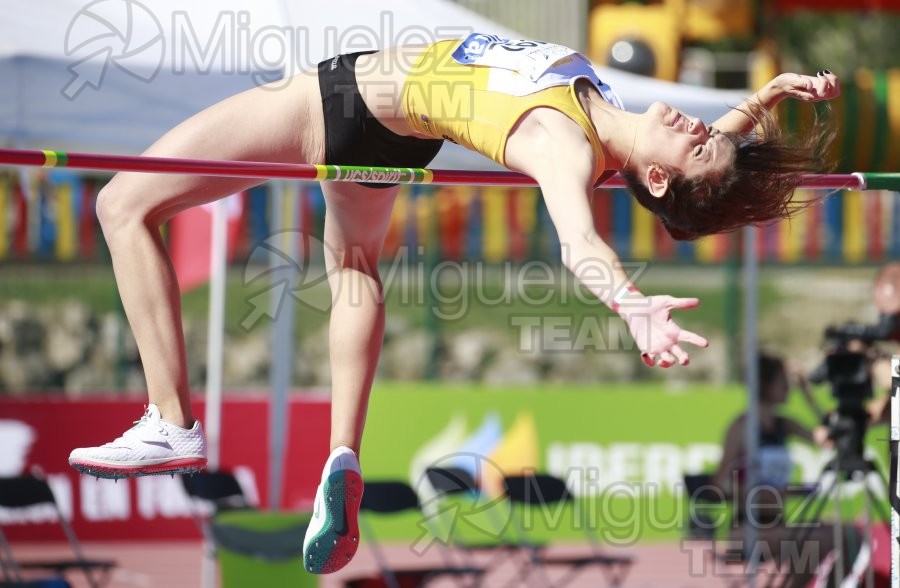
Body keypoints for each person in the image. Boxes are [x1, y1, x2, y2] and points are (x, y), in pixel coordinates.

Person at [67, 33, 840, 574]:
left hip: (341, 100)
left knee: (122, 205)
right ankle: (342, 456)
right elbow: (701, 169)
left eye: (697, 141)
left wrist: (631, 305)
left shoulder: (563, 146)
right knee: (355, 267)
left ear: (662, 179)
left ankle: (170, 421)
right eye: (706, 129)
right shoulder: (612, 129)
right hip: (397, 134)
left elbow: (580, 244)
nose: (694, 125)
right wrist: (764, 97)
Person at [711, 353, 837, 587]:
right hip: (747, 528)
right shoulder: (742, 427)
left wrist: (807, 393)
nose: (789, 388)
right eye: (784, 382)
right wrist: (764, 495)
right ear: (767, 386)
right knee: (819, 540)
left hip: (778, 525)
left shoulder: (783, 424)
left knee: (846, 534)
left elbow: (832, 438)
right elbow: (718, 486)